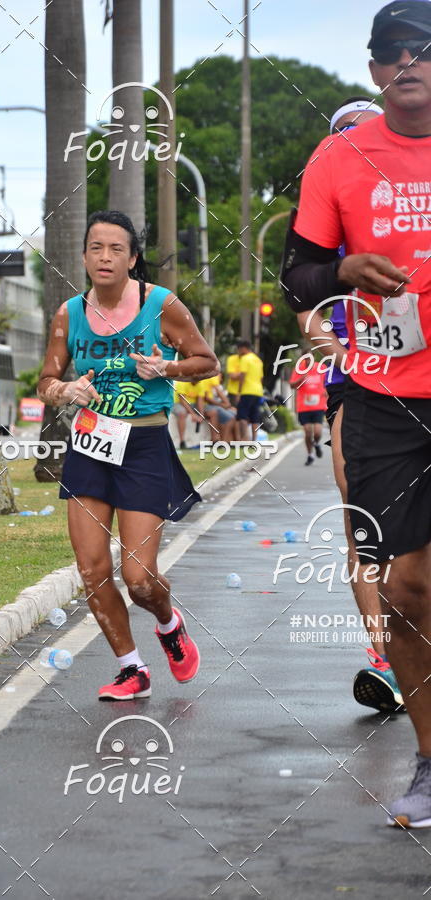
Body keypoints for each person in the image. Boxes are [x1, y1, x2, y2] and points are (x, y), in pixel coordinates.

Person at [282, 0, 431, 828]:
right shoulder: (339, 159)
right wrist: (343, 269)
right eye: (392, 51)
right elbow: (296, 274)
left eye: (423, 48)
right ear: (374, 69)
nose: (408, 62)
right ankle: (430, 762)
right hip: (384, 399)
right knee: (405, 590)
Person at [38, 210, 219, 701]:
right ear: (83, 256)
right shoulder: (68, 314)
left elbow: (207, 363)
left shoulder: (160, 305)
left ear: (133, 258)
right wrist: (66, 390)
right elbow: (47, 378)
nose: (104, 257)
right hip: (91, 444)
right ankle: (130, 668)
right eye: (96, 247)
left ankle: (168, 623)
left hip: (142, 444)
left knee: (139, 578)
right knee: (93, 568)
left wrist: (167, 367)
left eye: (116, 248)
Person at [295, 98, 403, 714]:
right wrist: (340, 350)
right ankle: (384, 661)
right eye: (343, 139)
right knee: (363, 520)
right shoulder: (323, 219)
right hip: (357, 383)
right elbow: (305, 308)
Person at [288, 357, 327, 465]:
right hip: (304, 406)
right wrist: (301, 379)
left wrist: (326, 390)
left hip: (318, 405)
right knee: (308, 431)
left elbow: (328, 381)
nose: (309, 362)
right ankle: (310, 455)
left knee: (318, 432)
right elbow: (291, 385)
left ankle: (316, 443)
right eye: (306, 360)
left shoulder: (321, 367)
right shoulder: (299, 369)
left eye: (310, 359)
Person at [234, 340, 264, 440]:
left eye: (239, 349)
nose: (238, 352)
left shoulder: (245, 359)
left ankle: (244, 438)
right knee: (255, 417)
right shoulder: (258, 360)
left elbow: (242, 375)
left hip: (247, 391)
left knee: (242, 416)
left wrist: (239, 392)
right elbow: (261, 378)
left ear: (243, 348)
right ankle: (254, 440)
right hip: (258, 391)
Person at [201, 373, 237, 443]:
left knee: (235, 414)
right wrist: (222, 405)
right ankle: (223, 441)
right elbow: (207, 398)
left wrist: (226, 405)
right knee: (231, 418)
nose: (219, 377)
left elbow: (223, 397)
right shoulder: (208, 378)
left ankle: (230, 440)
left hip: (214, 405)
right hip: (209, 406)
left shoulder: (213, 380)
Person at [171, 379, 206, 449]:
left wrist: (201, 415)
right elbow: (182, 400)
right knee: (182, 413)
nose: (198, 380)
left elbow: (200, 401)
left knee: (209, 412)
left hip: (192, 405)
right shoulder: (182, 382)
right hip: (177, 403)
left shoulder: (200, 383)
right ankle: (182, 442)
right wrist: (192, 414)